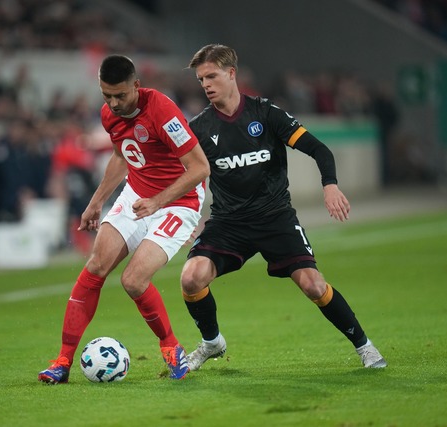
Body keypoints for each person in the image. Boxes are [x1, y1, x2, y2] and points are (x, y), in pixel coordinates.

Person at [180, 44, 386, 371]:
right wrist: (187, 213)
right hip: (228, 223)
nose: (205, 84)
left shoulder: (267, 114)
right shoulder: (199, 128)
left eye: (211, 76)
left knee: (313, 285)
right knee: (191, 278)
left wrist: (329, 184)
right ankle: (211, 343)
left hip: (275, 219)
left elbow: (319, 149)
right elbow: (186, 175)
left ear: (231, 74)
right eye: (201, 78)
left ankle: (365, 346)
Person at [38, 54, 210, 384]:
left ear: (137, 86)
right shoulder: (109, 115)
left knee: (133, 280)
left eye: (120, 95)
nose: (114, 104)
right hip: (136, 194)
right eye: (107, 96)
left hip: (179, 202)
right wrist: (96, 201)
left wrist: (158, 201)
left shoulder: (162, 110)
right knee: (96, 265)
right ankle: (62, 361)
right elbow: (122, 154)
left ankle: (172, 348)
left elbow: (201, 168)